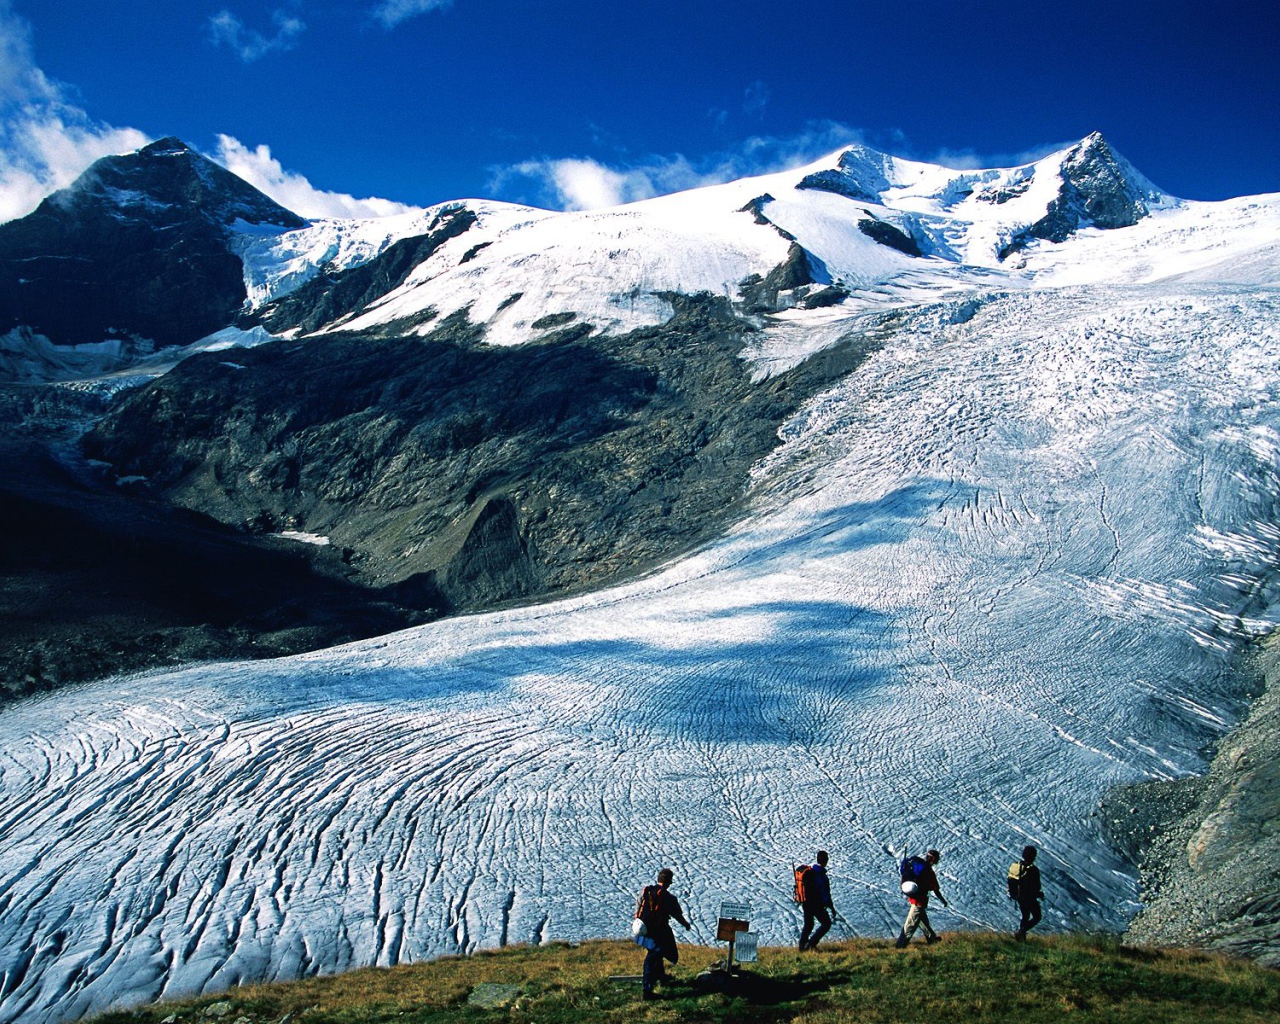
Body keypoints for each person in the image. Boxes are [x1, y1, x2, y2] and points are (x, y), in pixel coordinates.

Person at [634, 867, 691, 1000]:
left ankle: (661, 977)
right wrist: (686, 925)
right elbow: (677, 915)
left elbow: (638, 906)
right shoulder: (668, 898)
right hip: (658, 933)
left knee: (655, 955)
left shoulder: (646, 891)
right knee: (653, 957)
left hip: (643, 930)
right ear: (669, 882)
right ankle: (647, 990)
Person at [895, 848, 948, 948]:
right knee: (910, 925)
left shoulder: (917, 866)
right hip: (920, 901)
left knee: (922, 921)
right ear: (933, 860)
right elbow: (936, 889)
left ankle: (932, 939)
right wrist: (943, 900)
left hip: (913, 898)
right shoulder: (929, 872)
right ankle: (900, 946)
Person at [798, 849, 836, 951]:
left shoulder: (810, 871)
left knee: (809, 924)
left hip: (806, 902)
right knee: (826, 923)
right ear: (826, 860)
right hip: (816, 904)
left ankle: (802, 947)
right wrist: (831, 906)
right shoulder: (822, 876)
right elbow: (825, 893)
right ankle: (811, 944)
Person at [1010, 845, 1044, 941]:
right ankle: (1021, 932)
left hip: (1019, 897)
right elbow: (1036, 886)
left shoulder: (1017, 867)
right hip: (1029, 897)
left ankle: (1021, 938)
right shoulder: (1033, 870)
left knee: (1025, 915)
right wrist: (1039, 894)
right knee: (1037, 917)